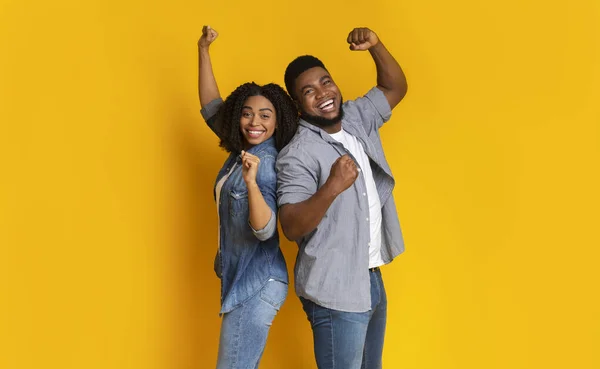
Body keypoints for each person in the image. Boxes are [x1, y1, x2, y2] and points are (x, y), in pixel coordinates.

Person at [276, 27, 408, 369]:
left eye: (326, 81)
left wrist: (375, 46)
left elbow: (395, 87)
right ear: (298, 105)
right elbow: (290, 225)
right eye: (309, 91)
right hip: (334, 288)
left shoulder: (356, 118)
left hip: (370, 277)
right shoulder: (298, 154)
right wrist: (332, 186)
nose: (323, 93)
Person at [197, 25, 298, 369]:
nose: (254, 122)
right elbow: (212, 107)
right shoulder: (242, 151)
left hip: (257, 285)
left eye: (265, 116)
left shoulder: (264, 162)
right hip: (245, 280)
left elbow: (265, 230)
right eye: (246, 113)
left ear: (277, 121)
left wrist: (252, 184)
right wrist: (204, 52)